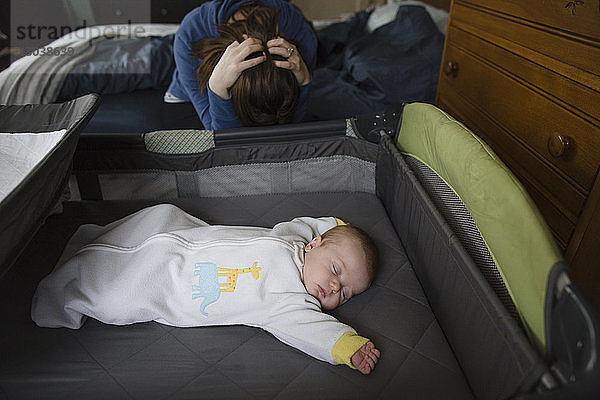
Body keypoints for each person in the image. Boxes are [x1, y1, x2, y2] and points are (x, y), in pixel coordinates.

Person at [31, 204, 381, 374]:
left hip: (175, 286)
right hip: (184, 237)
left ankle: (56, 300)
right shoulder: (292, 237)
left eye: (346, 293)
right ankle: (90, 242)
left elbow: (311, 332)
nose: (335, 286)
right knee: (160, 213)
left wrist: (345, 346)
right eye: (337, 270)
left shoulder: (290, 304)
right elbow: (314, 226)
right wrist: (340, 227)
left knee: (115, 296)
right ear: (315, 245)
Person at [164, 0, 317, 129]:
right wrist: (217, 88)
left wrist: (304, 82)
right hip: (193, 97)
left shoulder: (296, 27)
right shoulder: (192, 32)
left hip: (270, 96)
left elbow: (292, 127)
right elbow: (224, 140)